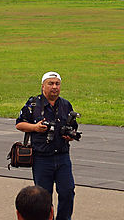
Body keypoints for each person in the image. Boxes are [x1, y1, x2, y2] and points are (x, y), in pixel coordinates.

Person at [16, 71, 79, 220]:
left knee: (68, 191)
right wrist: (35, 128)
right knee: (43, 197)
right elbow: (19, 124)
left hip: (62, 156)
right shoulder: (33, 103)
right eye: (51, 83)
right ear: (43, 86)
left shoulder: (65, 104)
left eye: (57, 84)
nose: (54, 87)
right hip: (42, 158)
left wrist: (70, 136)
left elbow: (73, 127)